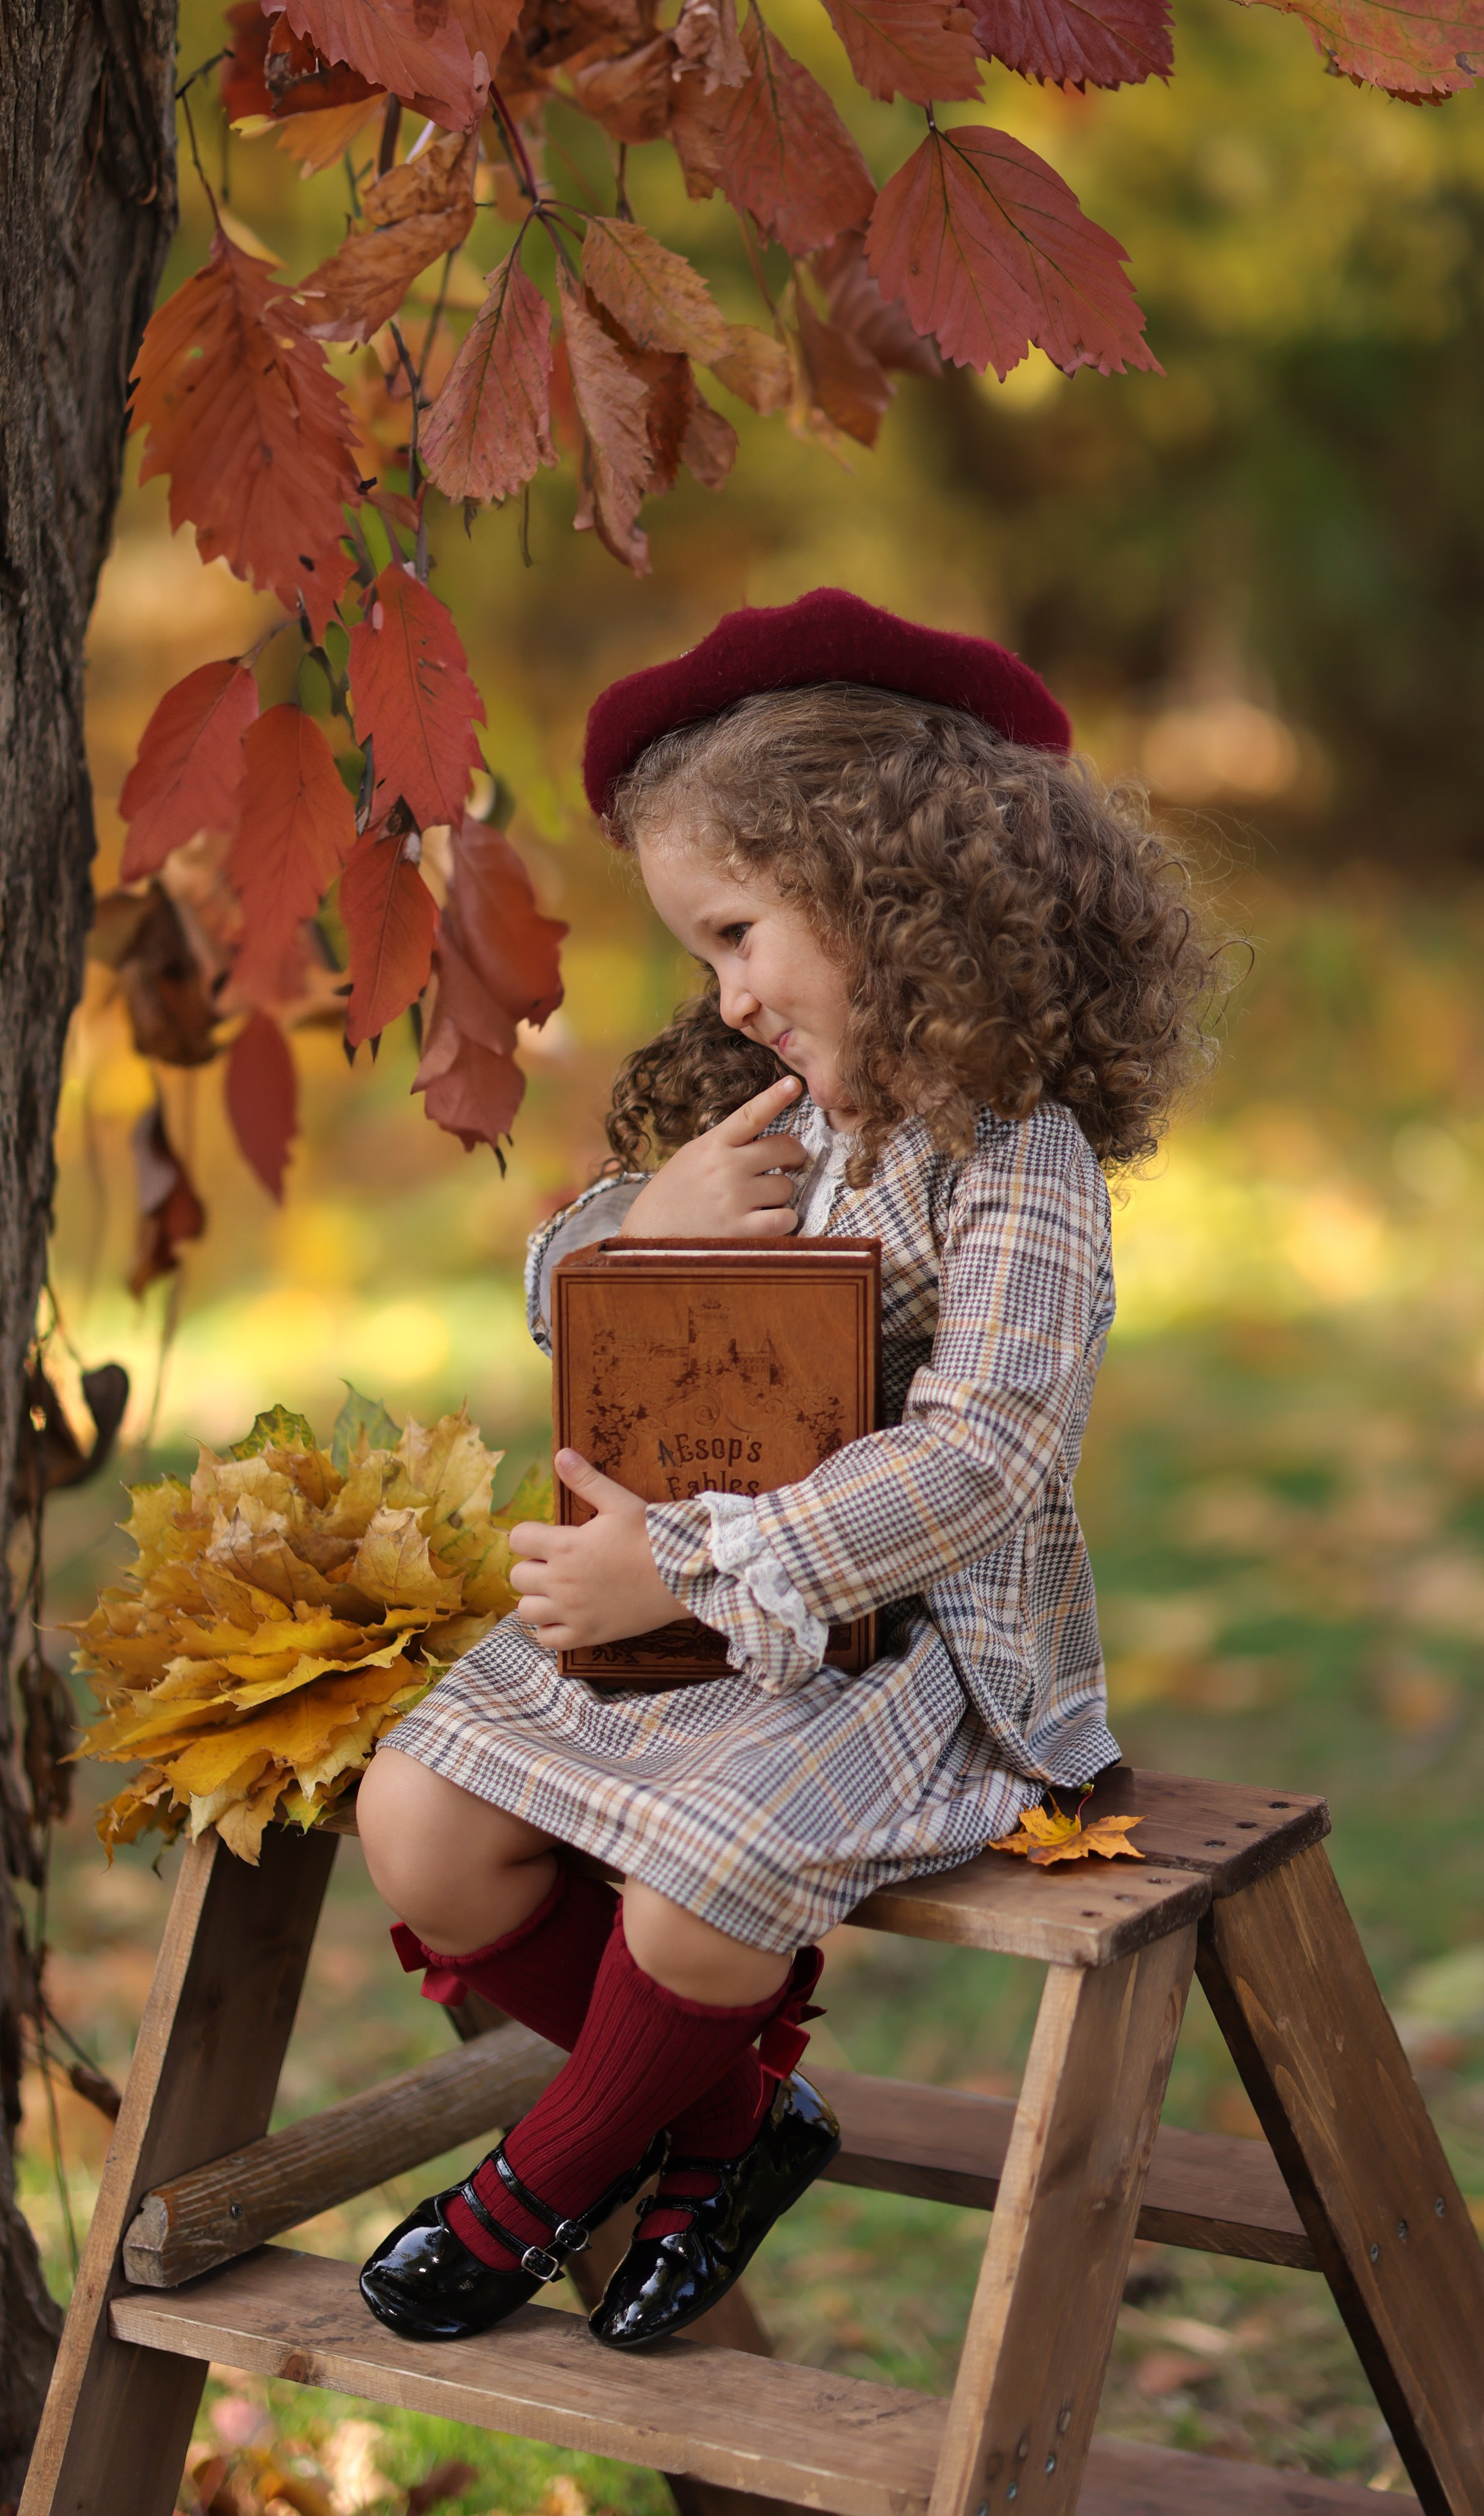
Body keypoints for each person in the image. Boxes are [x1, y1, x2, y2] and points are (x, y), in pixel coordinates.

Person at [353, 587, 1220, 2350]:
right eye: (707, 956)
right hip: (693, 1618)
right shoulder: (785, 1128)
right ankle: (738, 2126)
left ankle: (536, 2185)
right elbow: (587, 1326)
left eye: (741, 934)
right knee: (418, 1827)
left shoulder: (1016, 1160)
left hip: (913, 1659)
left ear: (892, 893)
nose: (731, 995)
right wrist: (642, 1229)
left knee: (694, 1887)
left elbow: (983, 1454)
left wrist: (691, 1567)